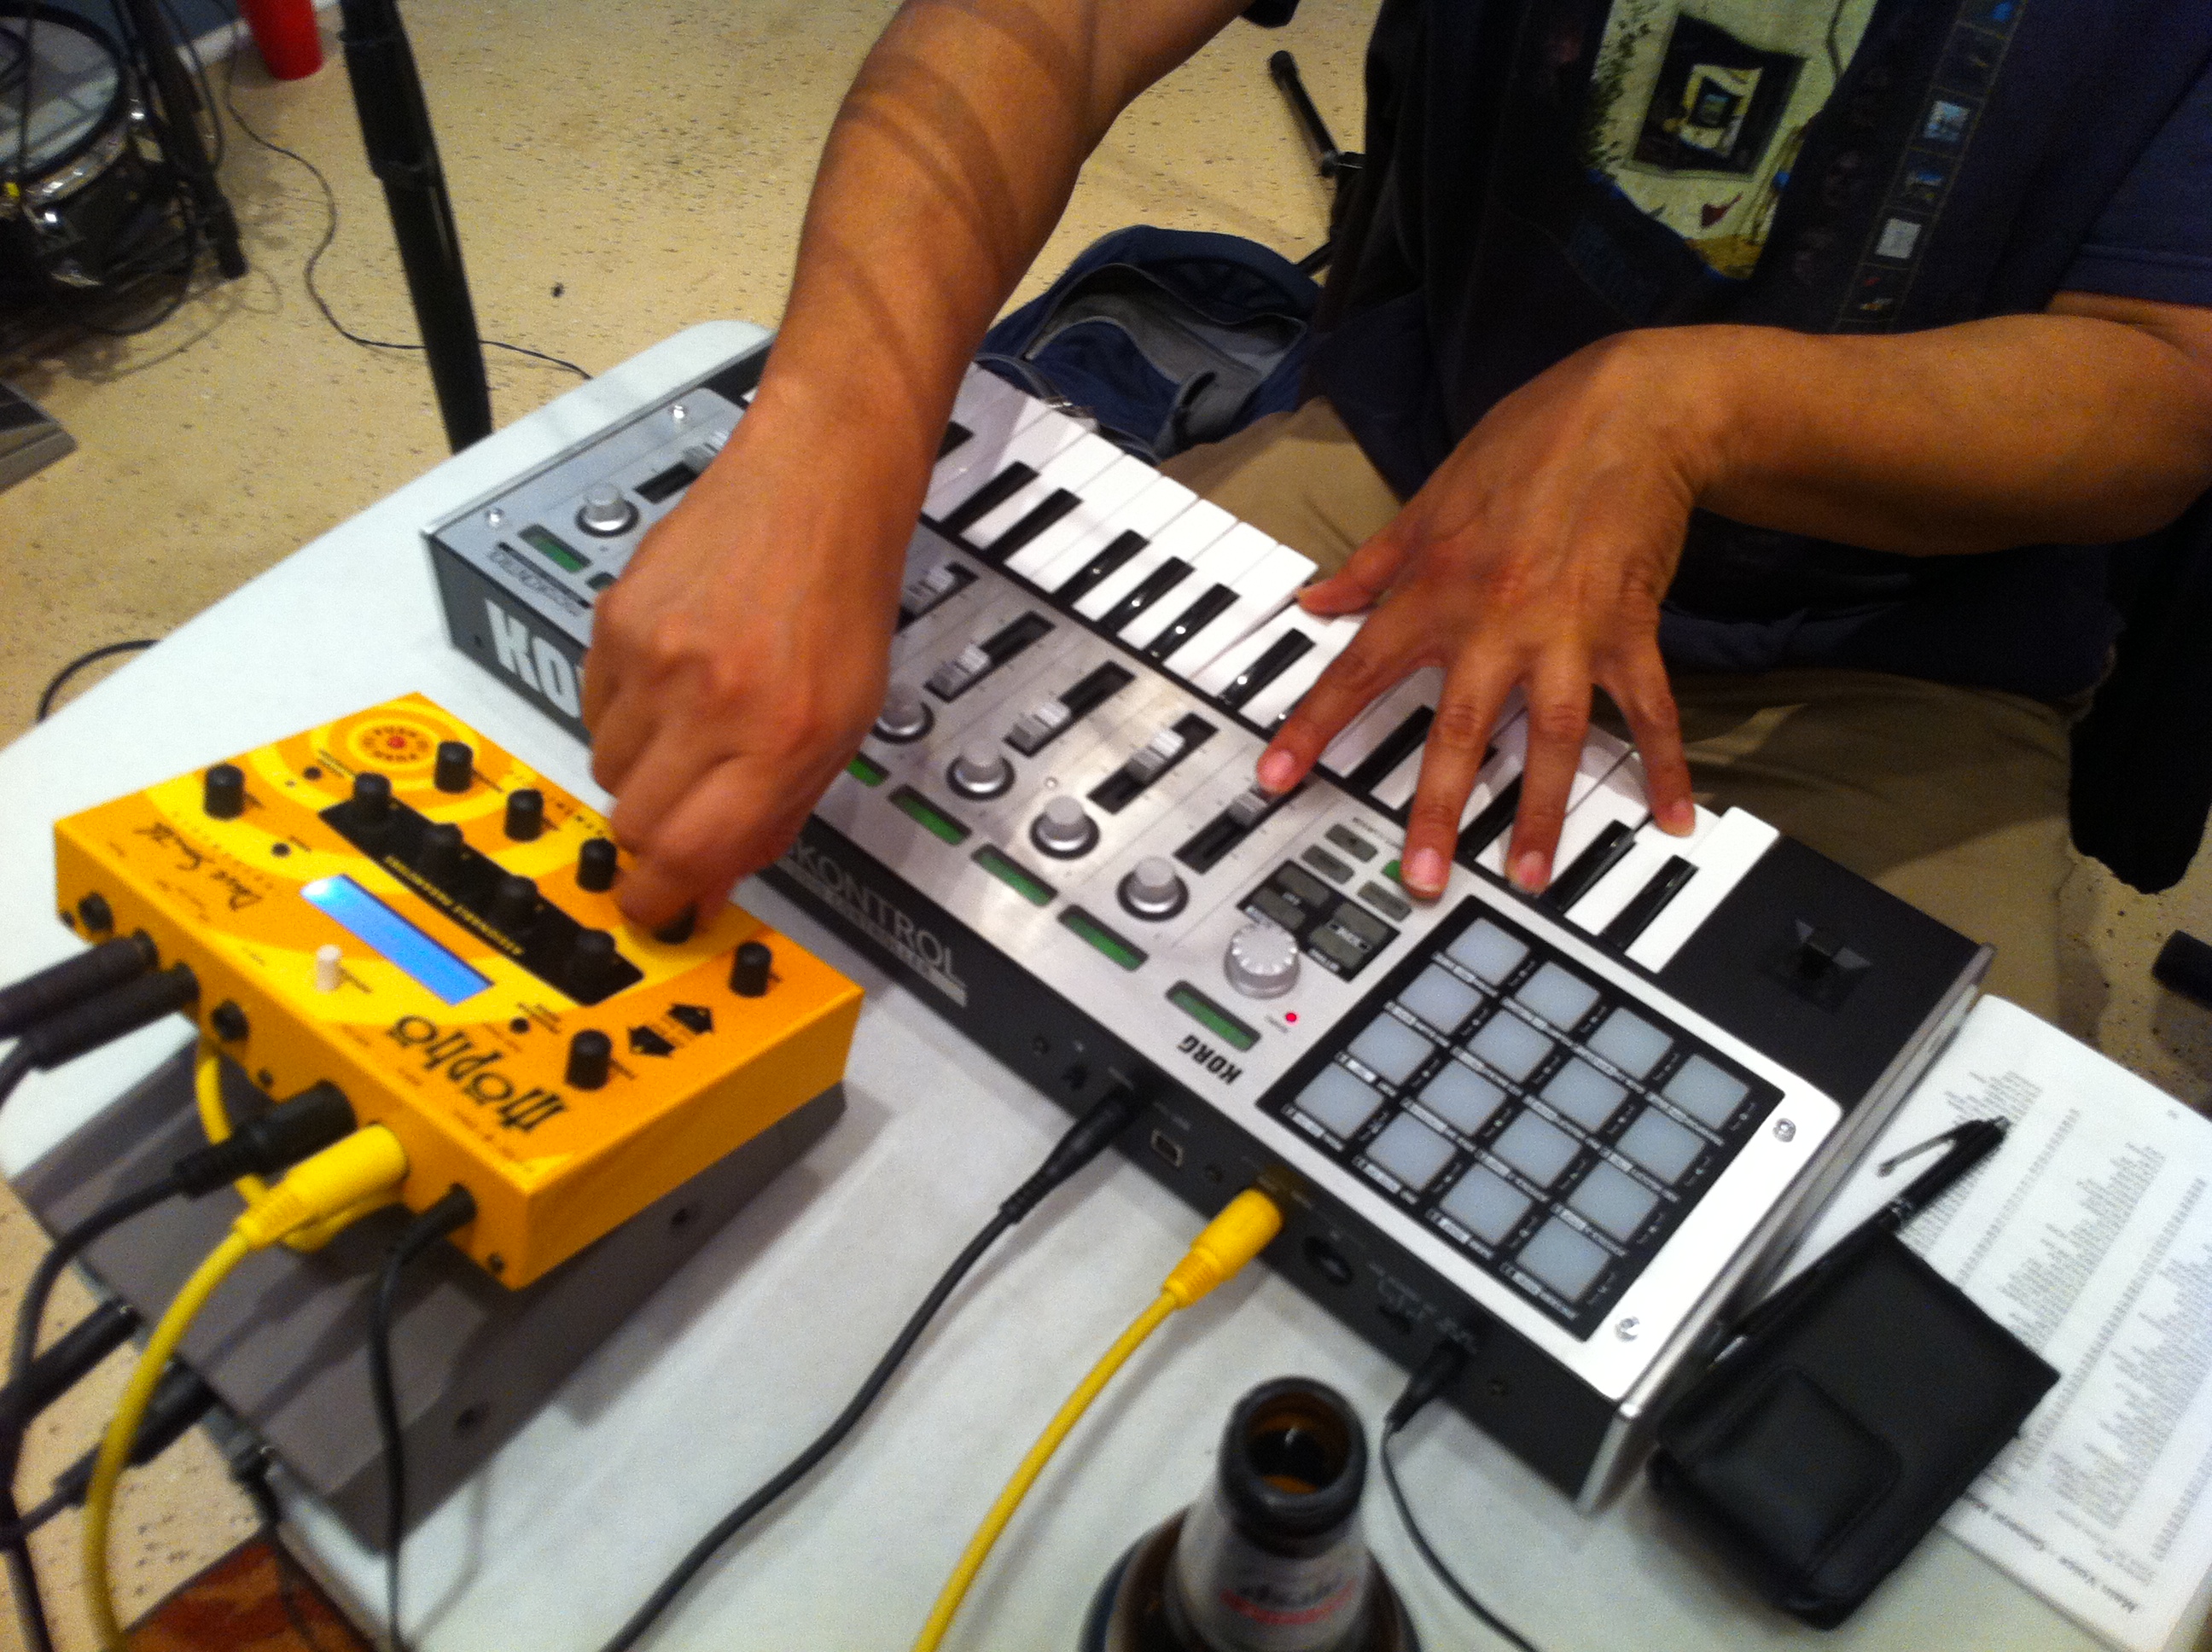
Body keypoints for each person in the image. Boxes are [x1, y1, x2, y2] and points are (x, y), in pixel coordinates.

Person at [582, 0, 2212, 1022]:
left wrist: (1683, 407)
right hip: (1411, 475)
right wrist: (825, 444)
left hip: (1899, 657)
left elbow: (2165, 381)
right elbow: (1052, 23)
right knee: (867, 920)